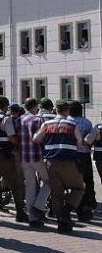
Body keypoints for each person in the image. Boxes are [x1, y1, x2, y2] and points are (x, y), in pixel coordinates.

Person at [32, 100, 85, 233]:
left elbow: (36, 139)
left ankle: (62, 223)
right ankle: (66, 213)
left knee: (57, 192)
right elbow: (79, 143)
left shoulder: (47, 124)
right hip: (68, 162)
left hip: (50, 162)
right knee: (79, 188)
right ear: (67, 111)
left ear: (56, 110)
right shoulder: (72, 124)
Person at [19, 98, 51, 228]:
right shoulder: (38, 120)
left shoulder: (19, 120)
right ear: (36, 106)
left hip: (24, 157)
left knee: (30, 185)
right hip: (38, 156)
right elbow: (42, 138)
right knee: (48, 182)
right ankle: (38, 207)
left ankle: (32, 219)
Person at [68, 100, 95, 222]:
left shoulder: (67, 122)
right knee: (87, 181)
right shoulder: (87, 123)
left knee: (74, 182)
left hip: (71, 155)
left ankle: (74, 205)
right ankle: (87, 206)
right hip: (84, 155)